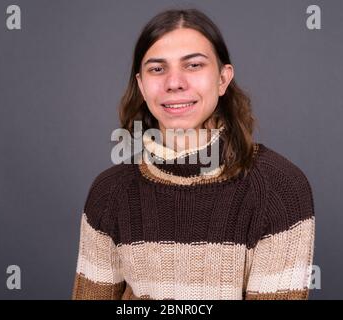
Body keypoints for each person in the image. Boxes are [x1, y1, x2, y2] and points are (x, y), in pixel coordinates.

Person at [72, 8, 315, 300]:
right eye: (157, 69)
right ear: (141, 86)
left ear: (223, 79)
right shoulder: (109, 192)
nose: (174, 82)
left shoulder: (279, 188)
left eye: (194, 65)